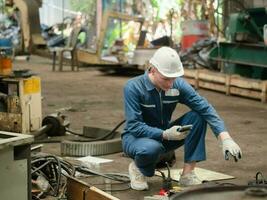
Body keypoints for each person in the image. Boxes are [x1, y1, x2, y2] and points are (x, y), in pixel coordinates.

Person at [122, 46, 242, 191]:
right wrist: (165, 134)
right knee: (151, 148)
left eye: (173, 78)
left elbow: (204, 107)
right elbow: (134, 126)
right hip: (136, 139)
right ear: (152, 70)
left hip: (165, 136)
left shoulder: (176, 85)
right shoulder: (133, 87)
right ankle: (138, 168)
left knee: (198, 116)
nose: (170, 84)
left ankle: (188, 173)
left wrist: (225, 138)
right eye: (166, 79)